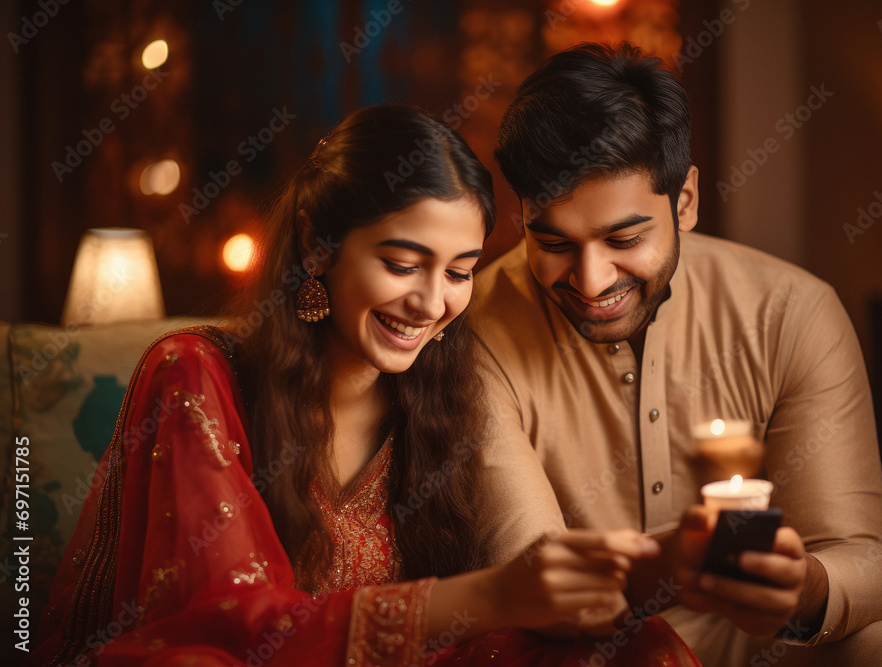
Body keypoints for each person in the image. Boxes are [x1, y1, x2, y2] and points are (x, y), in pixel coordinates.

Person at [27, 105, 701, 666]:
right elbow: (224, 623)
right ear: (318, 246)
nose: (433, 302)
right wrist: (493, 595)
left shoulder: (442, 399)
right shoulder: (195, 373)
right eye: (404, 263)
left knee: (636, 646)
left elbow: (481, 622)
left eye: (460, 271)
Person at [471, 42, 882, 666]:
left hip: (769, 649)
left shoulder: (792, 313)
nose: (591, 280)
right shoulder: (477, 332)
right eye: (553, 243)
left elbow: (864, 565)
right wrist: (683, 561)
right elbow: (535, 588)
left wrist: (804, 584)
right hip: (583, 655)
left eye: (624, 238)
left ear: (684, 203)